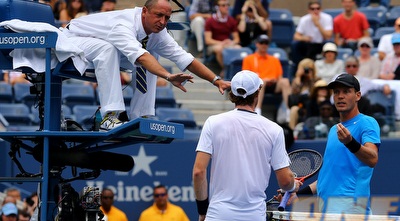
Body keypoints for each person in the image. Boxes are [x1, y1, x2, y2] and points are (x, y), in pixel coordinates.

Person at [62, 0, 230, 130]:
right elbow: (141, 58)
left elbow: (185, 59)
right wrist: (169, 76)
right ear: (144, 11)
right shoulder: (123, 25)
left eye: (167, 18)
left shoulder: (158, 33)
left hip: (102, 45)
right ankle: (109, 117)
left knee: (150, 53)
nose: (163, 22)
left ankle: (141, 115)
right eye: (158, 15)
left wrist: (216, 80)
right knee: (111, 50)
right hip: (73, 40)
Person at [192, 70, 301, 221]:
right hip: (254, 216)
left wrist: (203, 211)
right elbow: (285, 181)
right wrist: (292, 186)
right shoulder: (274, 129)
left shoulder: (212, 122)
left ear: (233, 93)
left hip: (218, 214)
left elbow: (198, 172)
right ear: (258, 93)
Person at [294, 73, 380, 214]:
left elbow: (372, 159)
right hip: (327, 210)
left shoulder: (367, 122)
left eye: (346, 91)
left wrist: (350, 142)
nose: (340, 96)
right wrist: (298, 194)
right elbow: (327, 177)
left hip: (351, 211)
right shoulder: (335, 130)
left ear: (358, 95)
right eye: (336, 92)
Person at [242, 34, 291, 115]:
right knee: (262, 81)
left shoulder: (274, 60)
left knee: (285, 81)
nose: (264, 45)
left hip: (273, 85)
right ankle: (257, 109)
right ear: (257, 44)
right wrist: (263, 79)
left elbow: (280, 77)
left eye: (266, 43)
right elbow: (246, 77)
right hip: (258, 85)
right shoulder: (249, 59)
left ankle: (288, 110)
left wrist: (274, 80)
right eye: (262, 43)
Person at [291, 1, 333, 66]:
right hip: (308, 44)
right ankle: (297, 66)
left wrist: (318, 24)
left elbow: (328, 36)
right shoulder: (304, 19)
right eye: (312, 9)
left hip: (321, 45)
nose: (315, 11)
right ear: (309, 10)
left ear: (321, 9)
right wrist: (303, 38)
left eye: (317, 8)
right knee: (295, 44)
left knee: (329, 44)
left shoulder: (327, 18)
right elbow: (296, 36)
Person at [204, 0, 241, 72]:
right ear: (217, 7)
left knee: (239, 48)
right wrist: (221, 43)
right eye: (223, 5)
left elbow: (237, 39)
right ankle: (226, 70)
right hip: (214, 45)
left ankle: (236, 69)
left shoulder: (231, 20)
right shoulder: (210, 21)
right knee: (220, 49)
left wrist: (231, 42)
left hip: (227, 43)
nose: (226, 7)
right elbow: (208, 40)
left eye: (227, 5)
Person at [288, 58, 318, 130]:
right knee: (294, 109)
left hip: (313, 106)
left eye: (310, 69)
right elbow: (293, 98)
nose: (307, 71)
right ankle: (292, 132)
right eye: (305, 69)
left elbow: (314, 93)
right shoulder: (297, 81)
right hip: (300, 106)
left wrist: (311, 79)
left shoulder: (317, 80)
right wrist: (298, 78)